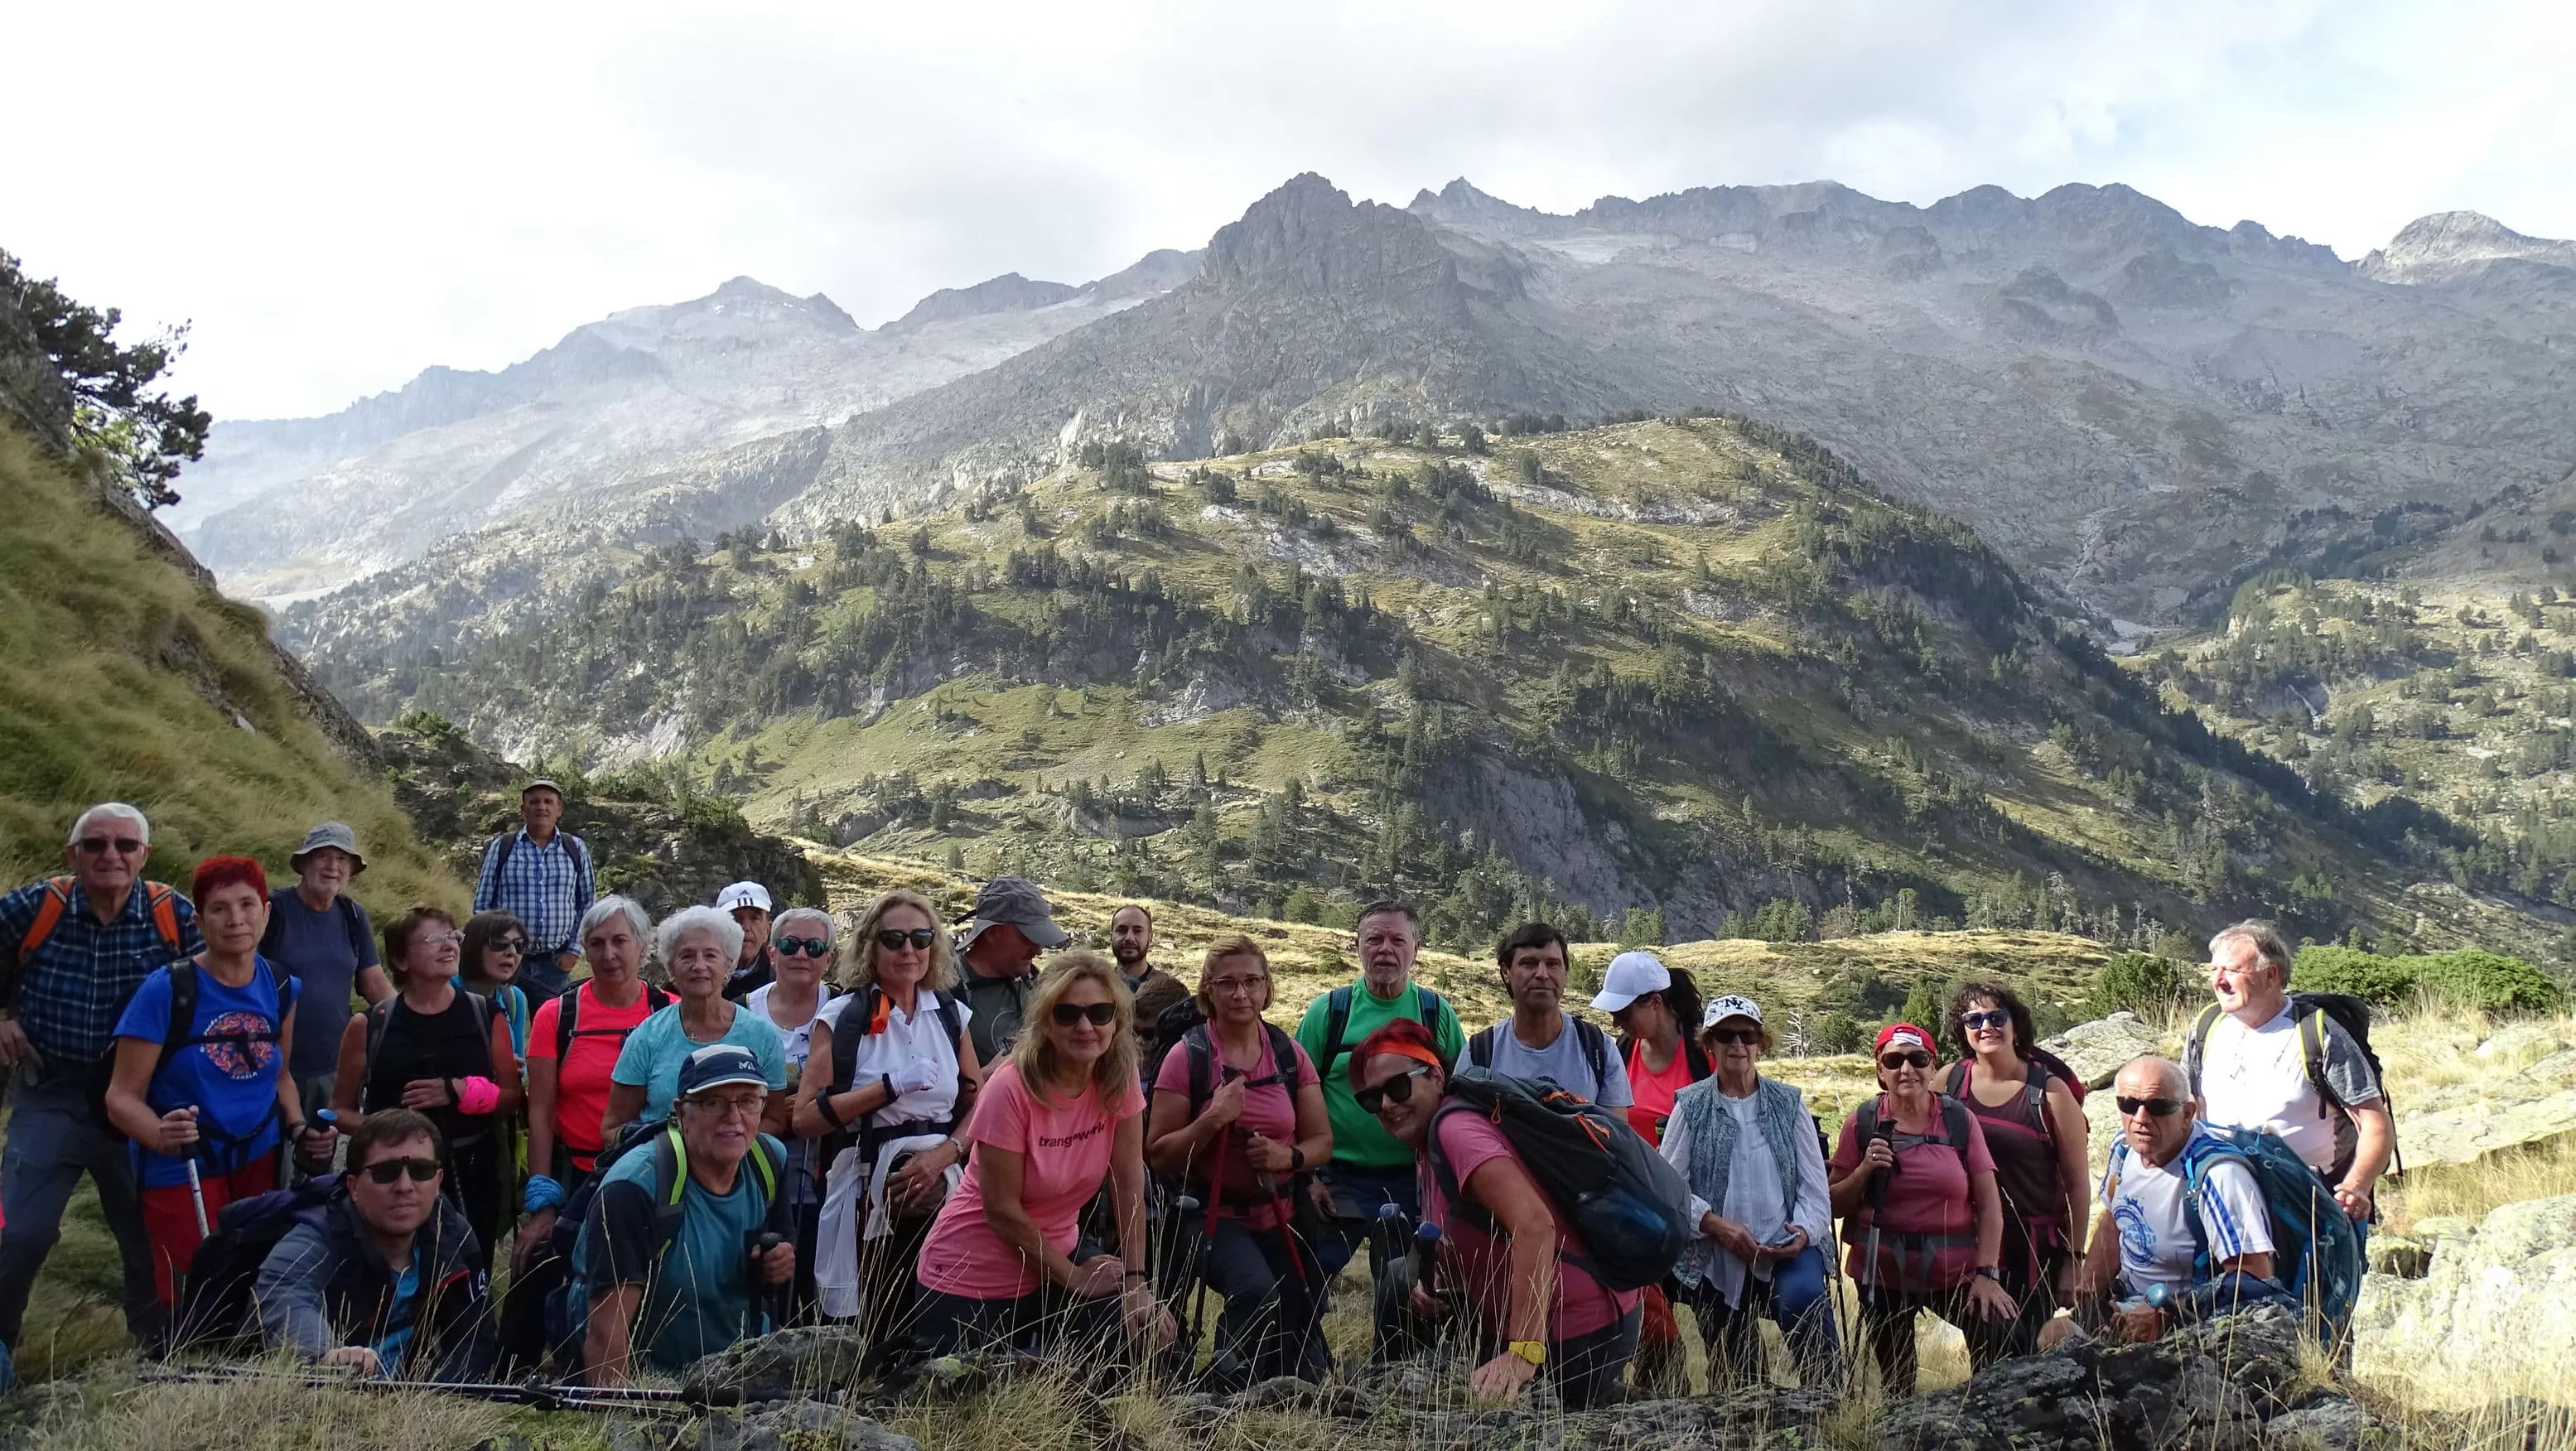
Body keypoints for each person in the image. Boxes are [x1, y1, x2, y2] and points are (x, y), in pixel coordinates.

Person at [1353, 1018, 1641, 1407]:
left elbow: (1535, 1224)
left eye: (1398, 1086)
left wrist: (1524, 1351)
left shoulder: (1455, 1132)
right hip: (1561, 1321)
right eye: (1371, 1099)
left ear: (1436, 1076)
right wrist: (1440, 1275)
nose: (1387, 1105)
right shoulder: (1433, 1136)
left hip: (1576, 1327)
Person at [0, 803, 200, 1351]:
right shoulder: (34, 907)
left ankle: (157, 1352)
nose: (110, 855)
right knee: (18, 1233)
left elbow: (213, 991)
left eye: (124, 845)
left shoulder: (172, 916)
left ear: (144, 856)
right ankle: (1, 1351)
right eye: (95, 845)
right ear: (73, 854)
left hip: (139, 1101)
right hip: (53, 1094)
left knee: (149, 1237)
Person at [909, 950, 1172, 1367]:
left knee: (1143, 1338)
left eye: (1100, 1013)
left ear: (1117, 1021)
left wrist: (1137, 1283)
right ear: (1046, 1023)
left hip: (1056, 1256)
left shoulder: (1117, 1079)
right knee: (971, 1410)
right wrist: (1078, 1280)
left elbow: (1128, 1182)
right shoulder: (1011, 1088)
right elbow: (1001, 1210)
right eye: (1068, 1014)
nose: (1086, 1026)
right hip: (972, 1275)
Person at [103, 856, 335, 1306]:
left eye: (248, 905)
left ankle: (248, 1371)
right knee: (194, 1285)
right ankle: (184, 1363)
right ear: (198, 920)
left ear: (266, 912)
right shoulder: (167, 990)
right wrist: (158, 1134)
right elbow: (120, 1097)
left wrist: (297, 1129)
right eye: (220, 908)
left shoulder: (283, 985)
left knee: (253, 1275)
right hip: (182, 1161)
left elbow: (280, 1075)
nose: (236, 920)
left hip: (258, 1156)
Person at [797, 890, 981, 1357]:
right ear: (870, 946)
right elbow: (804, 1119)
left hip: (946, 1181)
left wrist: (944, 1155)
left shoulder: (950, 1015)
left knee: (940, 1315)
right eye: (893, 938)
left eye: (921, 938)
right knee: (875, 1322)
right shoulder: (842, 1018)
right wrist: (889, 1086)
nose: (908, 950)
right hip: (865, 1184)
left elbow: (978, 1103)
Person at [1146, 936, 1333, 1386]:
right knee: (1254, 1291)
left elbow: (1322, 1141)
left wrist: (1286, 1156)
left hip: (1281, 1211)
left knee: (1301, 1308)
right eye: (1226, 983)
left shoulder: (1289, 1055)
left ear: (1267, 988)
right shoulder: (1186, 1056)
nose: (1241, 994)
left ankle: (1273, 1387)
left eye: (1252, 981)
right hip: (1208, 1216)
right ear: (1207, 990)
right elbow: (1158, 1153)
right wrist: (1212, 1119)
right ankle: (1223, 1391)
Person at [1291, 899, 1462, 1354]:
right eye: (1374, 939)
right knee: (1304, 1279)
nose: (1385, 949)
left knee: (1404, 1290)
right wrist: (1307, 1178)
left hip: (1413, 1181)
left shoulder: (1436, 1013)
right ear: (1356, 948)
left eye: (1397, 940)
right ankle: (1303, 1373)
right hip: (1338, 1180)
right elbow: (1296, 1095)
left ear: (1416, 949)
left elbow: (1458, 1096)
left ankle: (1396, 1379)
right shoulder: (1329, 1013)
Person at [574, 1044, 796, 1384]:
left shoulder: (769, 1160)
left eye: (749, 1101)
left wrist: (775, 1262)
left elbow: (779, 1247)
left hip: (738, 1378)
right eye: (713, 1102)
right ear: (680, 1111)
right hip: (654, 1388)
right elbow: (606, 1330)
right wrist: (615, 1425)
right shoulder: (636, 1187)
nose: (734, 1117)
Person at [1657, 995, 1837, 1391]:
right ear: (1710, 1045)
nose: (1737, 1045)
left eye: (1747, 1035)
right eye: (1725, 1036)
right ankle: (1745, 1426)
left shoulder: (1789, 1104)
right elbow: (1669, 1188)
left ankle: (1829, 1405)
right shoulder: (1689, 1106)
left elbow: (1814, 1188)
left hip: (1787, 1247)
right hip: (1716, 1254)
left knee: (1804, 1297)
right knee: (1735, 1367)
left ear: (1760, 1043)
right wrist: (1714, 1225)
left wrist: (1803, 1234)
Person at [2043, 1057, 2284, 1348]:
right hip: (2127, 1305)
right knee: (2053, 1336)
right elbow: (2115, 1220)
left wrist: (2170, 1312)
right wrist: (2090, 1289)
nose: (2141, 1118)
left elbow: (2255, 1277)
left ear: (2187, 1113)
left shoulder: (2219, 1176)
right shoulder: (2124, 1148)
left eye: (2158, 1107)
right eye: (2128, 1105)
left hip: (2192, 1324)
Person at [1829, 1022, 2017, 1396]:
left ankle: (1987, 1422)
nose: (1906, 1069)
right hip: (1882, 1276)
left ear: (1933, 1067)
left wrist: (1987, 1274)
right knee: (1897, 1381)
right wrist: (1865, 1169)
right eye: (1894, 1060)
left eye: (1918, 1059)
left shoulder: (1960, 1121)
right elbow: (1833, 1205)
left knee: (2002, 1337)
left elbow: (1991, 1205)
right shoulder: (1862, 1122)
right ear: (1880, 1069)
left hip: (1957, 1274)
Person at [331, 907, 523, 1260]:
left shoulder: (486, 1014)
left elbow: (512, 1098)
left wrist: (459, 1091)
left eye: (453, 937)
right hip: (392, 1178)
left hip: (472, 1173)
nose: (449, 946)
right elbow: (339, 1111)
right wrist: (391, 1132)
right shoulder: (371, 1024)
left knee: (466, 1276)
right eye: (434, 939)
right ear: (400, 960)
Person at [253, 1108, 494, 1381]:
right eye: (385, 1173)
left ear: (438, 1181)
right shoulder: (316, 1236)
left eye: (420, 1171)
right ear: (354, 1186)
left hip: (409, 1401)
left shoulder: (453, 1233)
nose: (405, 1185)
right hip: (327, 1396)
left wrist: (433, 1398)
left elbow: (475, 1339)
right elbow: (287, 1298)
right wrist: (325, 1355)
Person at [2185, 921, 2393, 1222]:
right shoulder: (2206, 1027)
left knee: (2311, 1273)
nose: (2218, 981)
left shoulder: (2318, 1034)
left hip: (2309, 1204)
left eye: (2231, 970)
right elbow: (2192, 1107)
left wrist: (2356, 1186)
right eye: (2213, 969)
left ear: (2271, 976)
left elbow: (2374, 1122)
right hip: (2225, 1196)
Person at [1945, 981, 2089, 1365]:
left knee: (2025, 1352)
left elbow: (2077, 1184)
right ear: (1963, 1030)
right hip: (1970, 1243)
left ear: (2015, 1024)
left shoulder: (2049, 1092)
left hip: (2034, 1250)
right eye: (1974, 1019)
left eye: (1996, 1016)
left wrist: (2074, 1261)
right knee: (1988, 1344)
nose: (1985, 1026)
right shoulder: (1949, 1082)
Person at [519, 897, 668, 1261]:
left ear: (643, 947)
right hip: (574, 1176)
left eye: (620, 941)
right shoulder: (556, 1017)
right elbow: (539, 1111)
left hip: (654, 1177)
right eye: (597, 943)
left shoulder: (668, 1012)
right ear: (584, 948)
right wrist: (542, 1201)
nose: (608, 954)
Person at [1588, 948, 1705, 1391]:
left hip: (1700, 1206)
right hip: (1639, 1203)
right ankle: (1661, 1395)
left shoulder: (1704, 1055)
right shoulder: (1621, 1053)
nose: (1618, 1022)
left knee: (1723, 1321)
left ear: (1655, 1002)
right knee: (1651, 1312)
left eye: (1624, 1011)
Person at [602, 906, 790, 1140]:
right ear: (671, 967)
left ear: (728, 965)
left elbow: (774, 1120)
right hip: (665, 1170)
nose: (699, 966)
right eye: (687, 956)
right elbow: (612, 1128)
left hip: (737, 1169)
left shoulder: (761, 1036)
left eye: (711, 955)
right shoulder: (648, 1036)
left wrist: (727, 1147)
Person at [260, 822, 391, 1111]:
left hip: (334, 1067)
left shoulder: (352, 915)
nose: (333, 866)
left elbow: (374, 984)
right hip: (274, 1068)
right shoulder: (273, 909)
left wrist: (415, 1019)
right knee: (274, 1153)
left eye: (343, 859)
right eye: (323, 856)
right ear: (304, 863)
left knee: (321, 1152)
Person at [747, 904, 837, 1313]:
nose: (802, 955)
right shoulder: (742, 1010)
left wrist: (785, 1105)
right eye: (790, 944)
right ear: (771, 952)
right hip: (754, 1173)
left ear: (829, 959)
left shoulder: (845, 1013)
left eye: (815, 947)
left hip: (829, 1176)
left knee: (817, 1289)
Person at [1465, 923, 1629, 1109]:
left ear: (1565, 972)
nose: (1542, 974)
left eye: (1553, 964)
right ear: (1506, 972)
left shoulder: (1600, 1049)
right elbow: (1460, 1126)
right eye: (1529, 963)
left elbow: (1616, 1134)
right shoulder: (1479, 1053)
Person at [471, 779, 594, 1002]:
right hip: (507, 959)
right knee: (502, 1024)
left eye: (548, 801)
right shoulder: (503, 847)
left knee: (553, 1029)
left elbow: (587, 903)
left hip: (555, 965)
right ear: (523, 809)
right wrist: (492, 950)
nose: (541, 807)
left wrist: (574, 951)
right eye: (534, 802)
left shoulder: (575, 848)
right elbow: (482, 904)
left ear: (559, 809)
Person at [954, 876, 1068, 1067]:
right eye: (1028, 937)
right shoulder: (946, 991)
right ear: (992, 933)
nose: (1038, 950)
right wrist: (987, 1080)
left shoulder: (1035, 984)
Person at [1107, 904, 1190, 1062]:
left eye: (1138, 931)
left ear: (1150, 937)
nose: (1129, 938)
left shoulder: (1169, 991)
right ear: (1111, 935)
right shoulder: (1099, 988)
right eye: (1122, 930)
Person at [457, 911, 533, 1062]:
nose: (512, 952)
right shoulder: (445, 993)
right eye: (500, 943)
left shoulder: (514, 997)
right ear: (474, 946)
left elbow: (520, 1062)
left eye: (519, 945)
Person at [717, 881, 775, 1003]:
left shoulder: (782, 980)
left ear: (767, 930)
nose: (746, 927)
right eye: (735, 919)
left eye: (755, 918)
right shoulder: (698, 975)